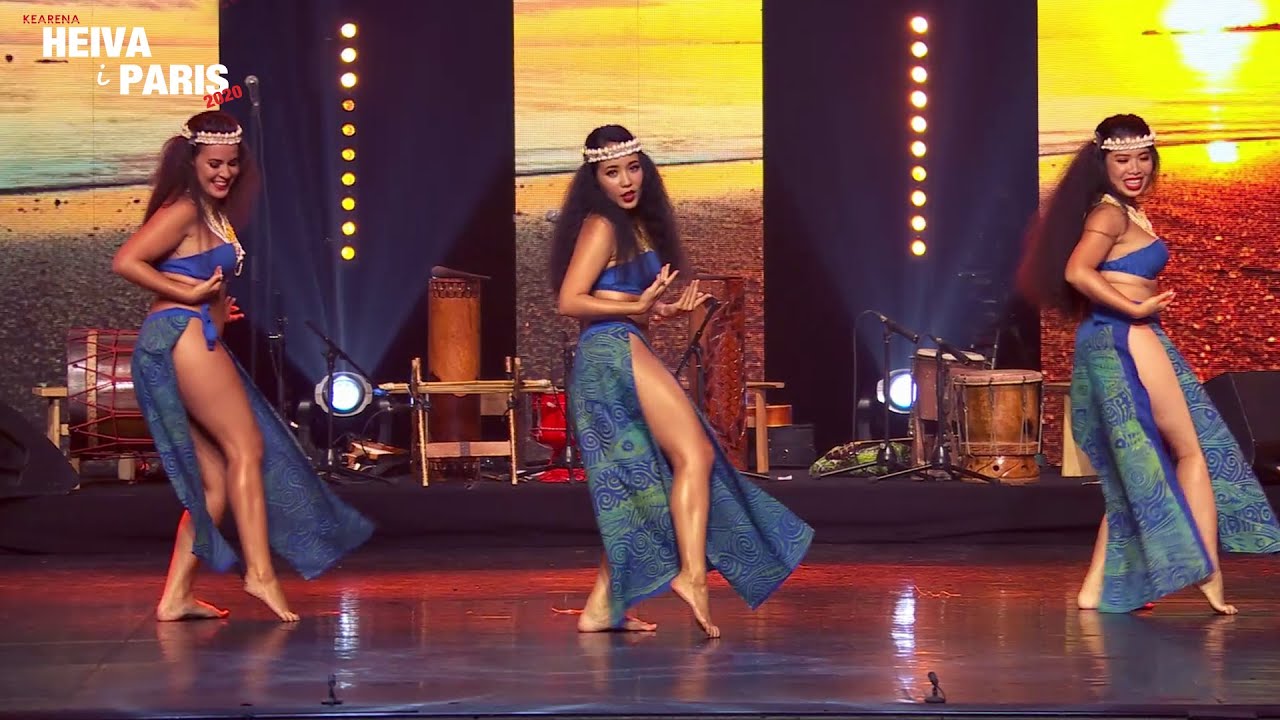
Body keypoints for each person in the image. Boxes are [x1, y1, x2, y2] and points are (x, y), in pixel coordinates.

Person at [549, 125, 813, 638]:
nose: (627, 181)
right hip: (610, 351)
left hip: (621, 345)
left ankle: (603, 608)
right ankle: (692, 576)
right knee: (694, 453)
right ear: (595, 179)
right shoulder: (601, 225)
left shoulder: (633, 225)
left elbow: (621, 301)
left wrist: (660, 309)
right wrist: (642, 305)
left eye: (633, 168)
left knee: (645, 480)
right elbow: (569, 301)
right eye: (612, 173)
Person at [113, 111, 374, 623]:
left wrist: (213, 308)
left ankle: (176, 596)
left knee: (215, 483)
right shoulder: (184, 208)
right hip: (181, 335)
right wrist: (192, 295)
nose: (225, 172)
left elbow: (191, 276)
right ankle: (259, 573)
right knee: (247, 448)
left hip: (186, 335)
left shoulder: (212, 212)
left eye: (232, 163)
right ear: (192, 161)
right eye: (214, 163)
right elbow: (126, 261)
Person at [1018, 113, 1280, 614]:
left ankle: (1095, 587)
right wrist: (1134, 309)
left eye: (1142, 158)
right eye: (1122, 160)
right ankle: (1207, 572)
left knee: (1136, 470)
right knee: (1192, 450)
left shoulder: (1126, 210)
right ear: (1103, 163)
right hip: (1125, 334)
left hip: (1124, 334)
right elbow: (1077, 270)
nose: (1134, 168)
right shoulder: (1108, 214)